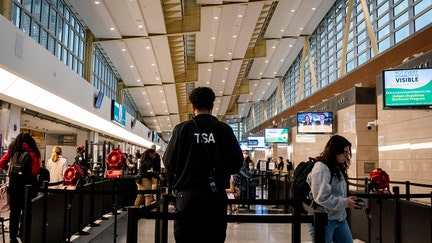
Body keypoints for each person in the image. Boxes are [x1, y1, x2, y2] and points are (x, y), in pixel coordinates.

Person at [163, 86, 243, 243]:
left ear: (193, 107)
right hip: (215, 197)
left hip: (187, 197)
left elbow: (169, 163)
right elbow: (237, 163)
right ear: (212, 106)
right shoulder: (224, 130)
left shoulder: (182, 129)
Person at [306, 135, 359, 243]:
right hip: (324, 219)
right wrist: (345, 202)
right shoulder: (321, 168)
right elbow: (321, 197)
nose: (346, 156)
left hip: (339, 218)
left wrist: (346, 200)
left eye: (348, 153)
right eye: (344, 152)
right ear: (334, 151)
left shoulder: (337, 167)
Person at [0, 132, 41, 243]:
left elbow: (2, 162)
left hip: (14, 185)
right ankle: (23, 233)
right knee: (27, 210)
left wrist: (9, 171)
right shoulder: (32, 152)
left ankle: (13, 238)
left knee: (14, 211)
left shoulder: (13, 150)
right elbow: (35, 170)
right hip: (28, 186)